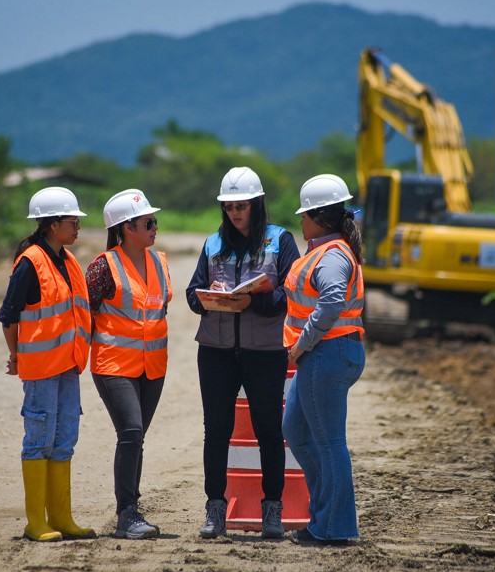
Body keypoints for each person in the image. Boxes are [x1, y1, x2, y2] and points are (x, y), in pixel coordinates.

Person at [184, 167, 301, 539]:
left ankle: (272, 512)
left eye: (242, 206)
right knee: (216, 432)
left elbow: (291, 296)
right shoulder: (212, 244)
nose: (235, 212)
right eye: (229, 206)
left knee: (269, 431)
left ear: (257, 204)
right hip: (216, 353)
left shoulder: (281, 241)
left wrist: (256, 300)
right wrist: (211, 296)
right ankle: (215, 510)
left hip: (265, 352)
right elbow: (192, 295)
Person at [0, 186, 96, 542]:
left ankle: (61, 517)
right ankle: (35, 523)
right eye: (72, 220)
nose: (77, 226)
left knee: (64, 438)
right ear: (53, 225)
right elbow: (9, 315)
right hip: (41, 370)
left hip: (69, 366)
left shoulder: (68, 261)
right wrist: (17, 355)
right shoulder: (31, 261)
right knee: (38, 439)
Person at [280, 174, 367, 546]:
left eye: (304, 216)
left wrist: (302, 343)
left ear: (318, 218)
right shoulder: (329, 249)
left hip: (326, 353)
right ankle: (326, 514)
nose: (300, 222)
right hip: (328, 354)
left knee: (330, 443)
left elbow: (331, 301)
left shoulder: (332, 255)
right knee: (296, 431)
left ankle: (331, 526)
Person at [85, 189, 173, 540]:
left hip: (152, 367)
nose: (155, 227)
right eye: (148, 222)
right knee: (131, 432)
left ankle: (131, 511)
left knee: (136, 438)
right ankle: (127, 514)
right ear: (126, 228)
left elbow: (159, 310)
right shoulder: (103, 267)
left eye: (155, 221)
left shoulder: (160, 262)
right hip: (113, 365)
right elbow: (82, 314)